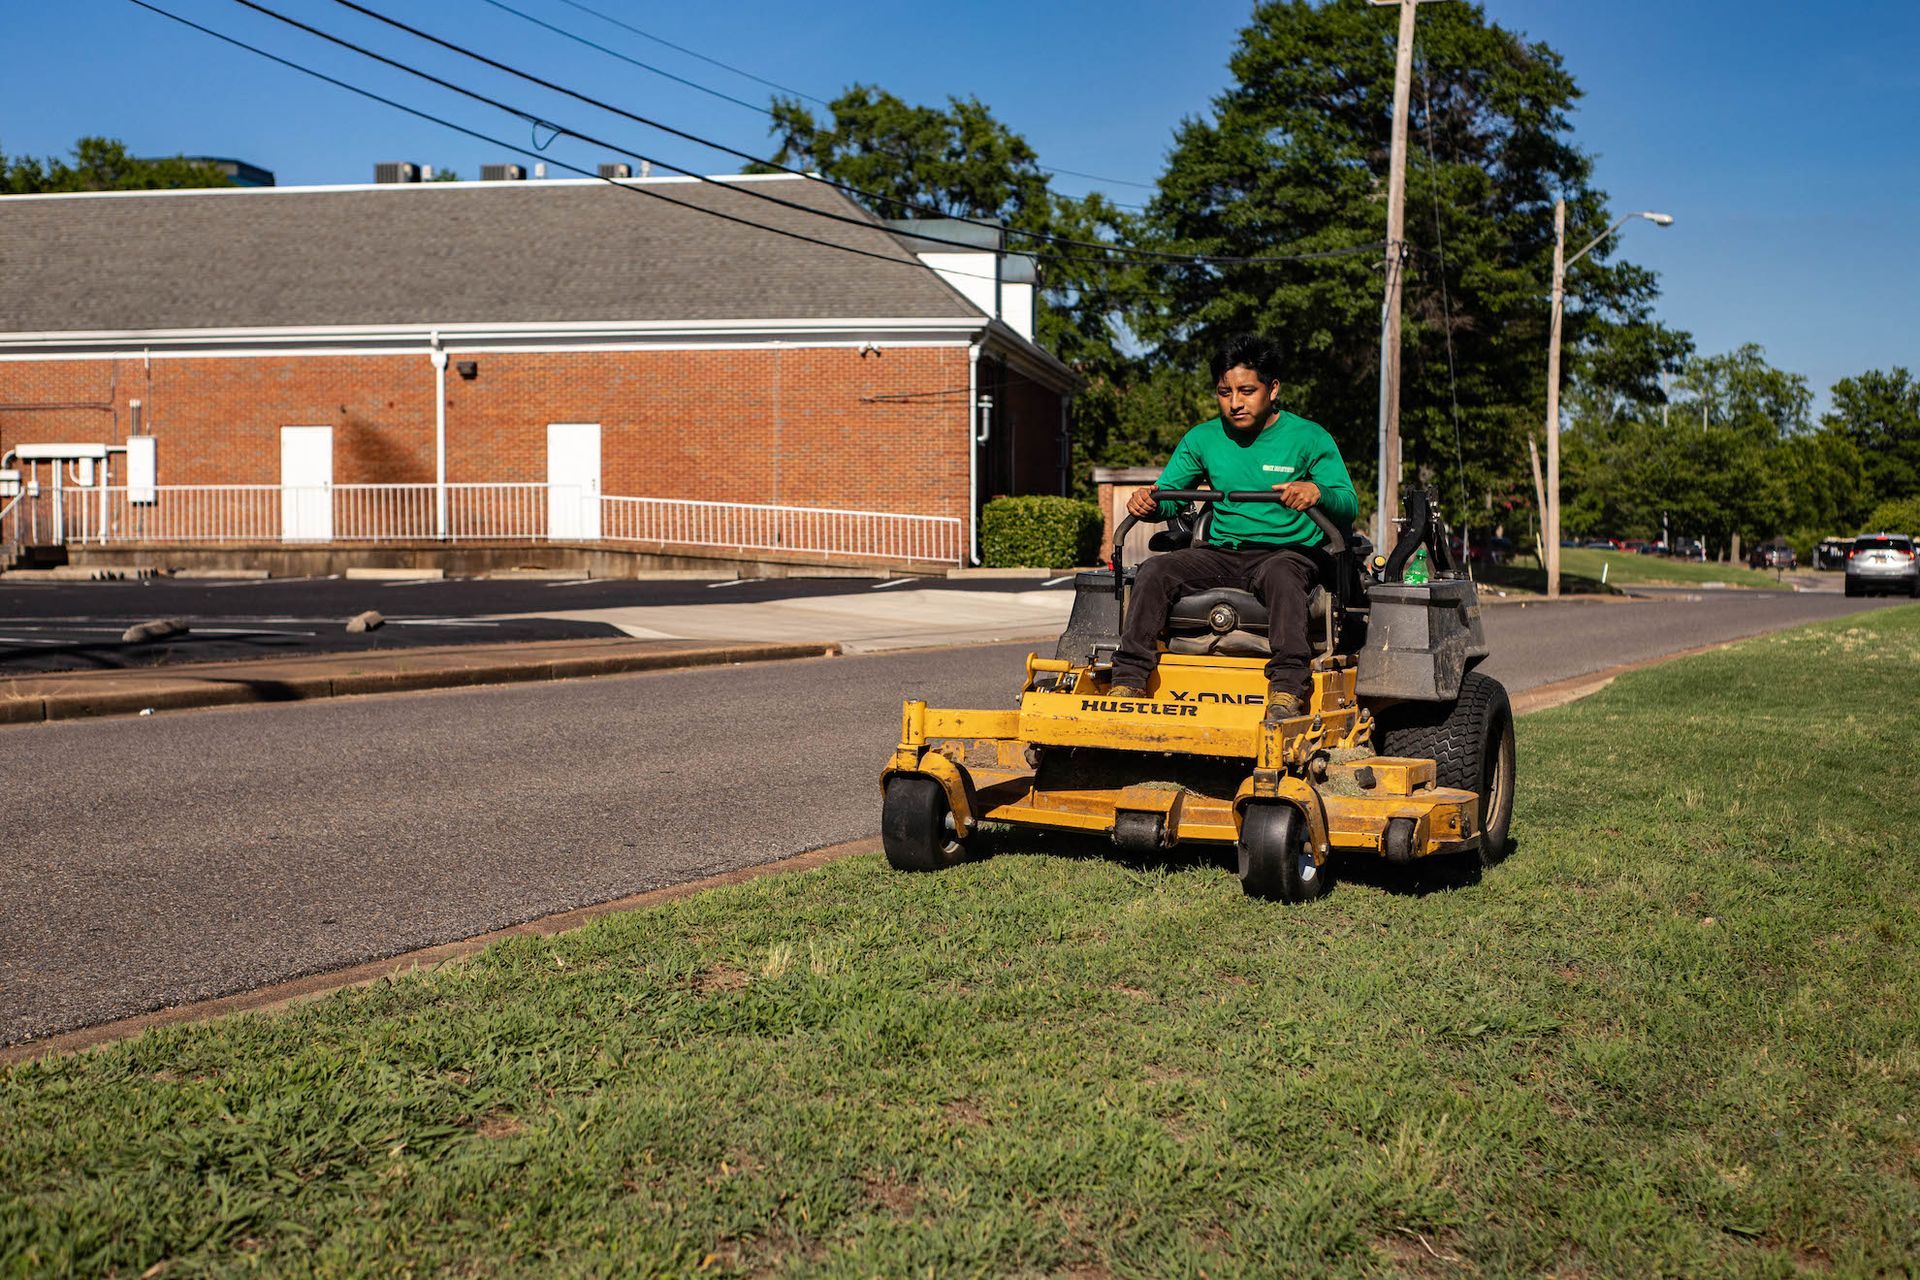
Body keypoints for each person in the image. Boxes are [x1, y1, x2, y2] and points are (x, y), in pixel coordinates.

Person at [1109, 334, 1358, 718]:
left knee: (1281, 574)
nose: (1235, 403)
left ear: (1273, 389)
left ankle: (1287, 689)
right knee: (1155, 570)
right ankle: (1128, 681)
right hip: (1222, 552)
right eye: (1225, 393)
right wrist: (1150, 503)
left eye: (1246, 391)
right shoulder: (1202, 438)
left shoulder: (1309, 437)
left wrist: (1317, 492)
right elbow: (1170, 495)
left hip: (1287, 552)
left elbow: (1347, 504)